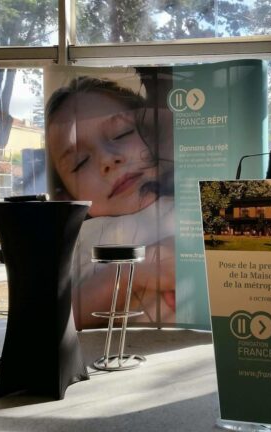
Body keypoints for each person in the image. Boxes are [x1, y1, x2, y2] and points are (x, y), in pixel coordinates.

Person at [46, 74, 175, 328]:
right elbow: (53, 319)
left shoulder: (198, 203)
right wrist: (132, 273)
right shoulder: (81, 239)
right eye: (79, 162)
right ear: (66, 195)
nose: (107, 160)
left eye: (121, 133)